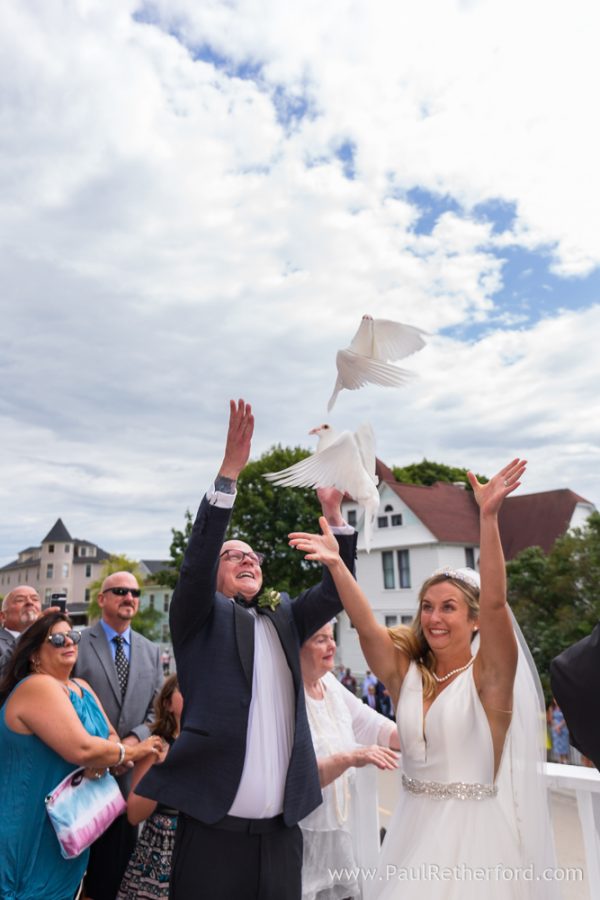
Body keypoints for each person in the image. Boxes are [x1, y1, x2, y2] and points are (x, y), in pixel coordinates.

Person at [290, 459, 560, 899]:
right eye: (428, 606)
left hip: (478, 848)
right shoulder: (405, 676)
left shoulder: (490, 680)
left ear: (473, 621)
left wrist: (488, 519)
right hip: (411, 835)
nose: (433, 617)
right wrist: (338, 566)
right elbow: (365, 625)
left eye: (448, 607)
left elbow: (495, 604)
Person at [138, 399, 358, 900]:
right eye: (232, 555)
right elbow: (195, 564)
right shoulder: (199, 618)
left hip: (283, 836)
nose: (246, 558)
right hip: (213, 831)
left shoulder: (284, 616)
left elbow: (335, 590)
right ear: (216, 573)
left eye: (252, 555)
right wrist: (229, 475)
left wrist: (333, 515)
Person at [0, 612, 162, 900]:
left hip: (68, 829)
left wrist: (101, 761)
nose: (69, 642)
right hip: (29, 825)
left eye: (73, 636)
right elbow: (84, 748)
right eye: (57, 638)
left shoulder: (82, 687)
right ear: (35, 654)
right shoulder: (37, 685)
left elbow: (109, 739)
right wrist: (135, 750)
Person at [74, 571, 163, 900]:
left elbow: (157, 712)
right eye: (121, 591)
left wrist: (130, 745)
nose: (130, 597)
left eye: (135, 593)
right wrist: (107, 748)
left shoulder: (151, 651)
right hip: (82, 778)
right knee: (74, 873)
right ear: (102, 599)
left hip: (127, 782)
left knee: (113, 875)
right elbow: (64, 701)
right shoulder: (77, 643)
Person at [300, 622, 399, 900]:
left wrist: (418, 737)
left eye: (331, 638)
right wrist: (352, 757)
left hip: (342, 839)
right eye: (320, 640)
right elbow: (299, 772)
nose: (332, 646)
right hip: (304, 842)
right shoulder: (287, 693)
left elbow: (371, 724)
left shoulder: (330, 683)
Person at [117, 675, 183, 899]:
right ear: (167, 704)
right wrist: (162, 770)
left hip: (198, 847)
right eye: (183, 689)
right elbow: (134, 814)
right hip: (159, 850)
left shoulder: (208, 747)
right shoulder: (157, 746)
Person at [0, 585, 42, 671]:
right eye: (20, 600)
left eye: (35, 599)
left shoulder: (51, 638)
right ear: (3, 616)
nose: (30, 602)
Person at [547, 699, 570, 764]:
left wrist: (559, 726)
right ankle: (560, 759)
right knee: (557, 744)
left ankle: (565, 759)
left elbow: (566, 719)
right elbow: (551, 719)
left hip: (563, 727)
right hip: (555, 728)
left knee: (564, 743)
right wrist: (556, 726)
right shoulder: (552, 708)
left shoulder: (564, 707)